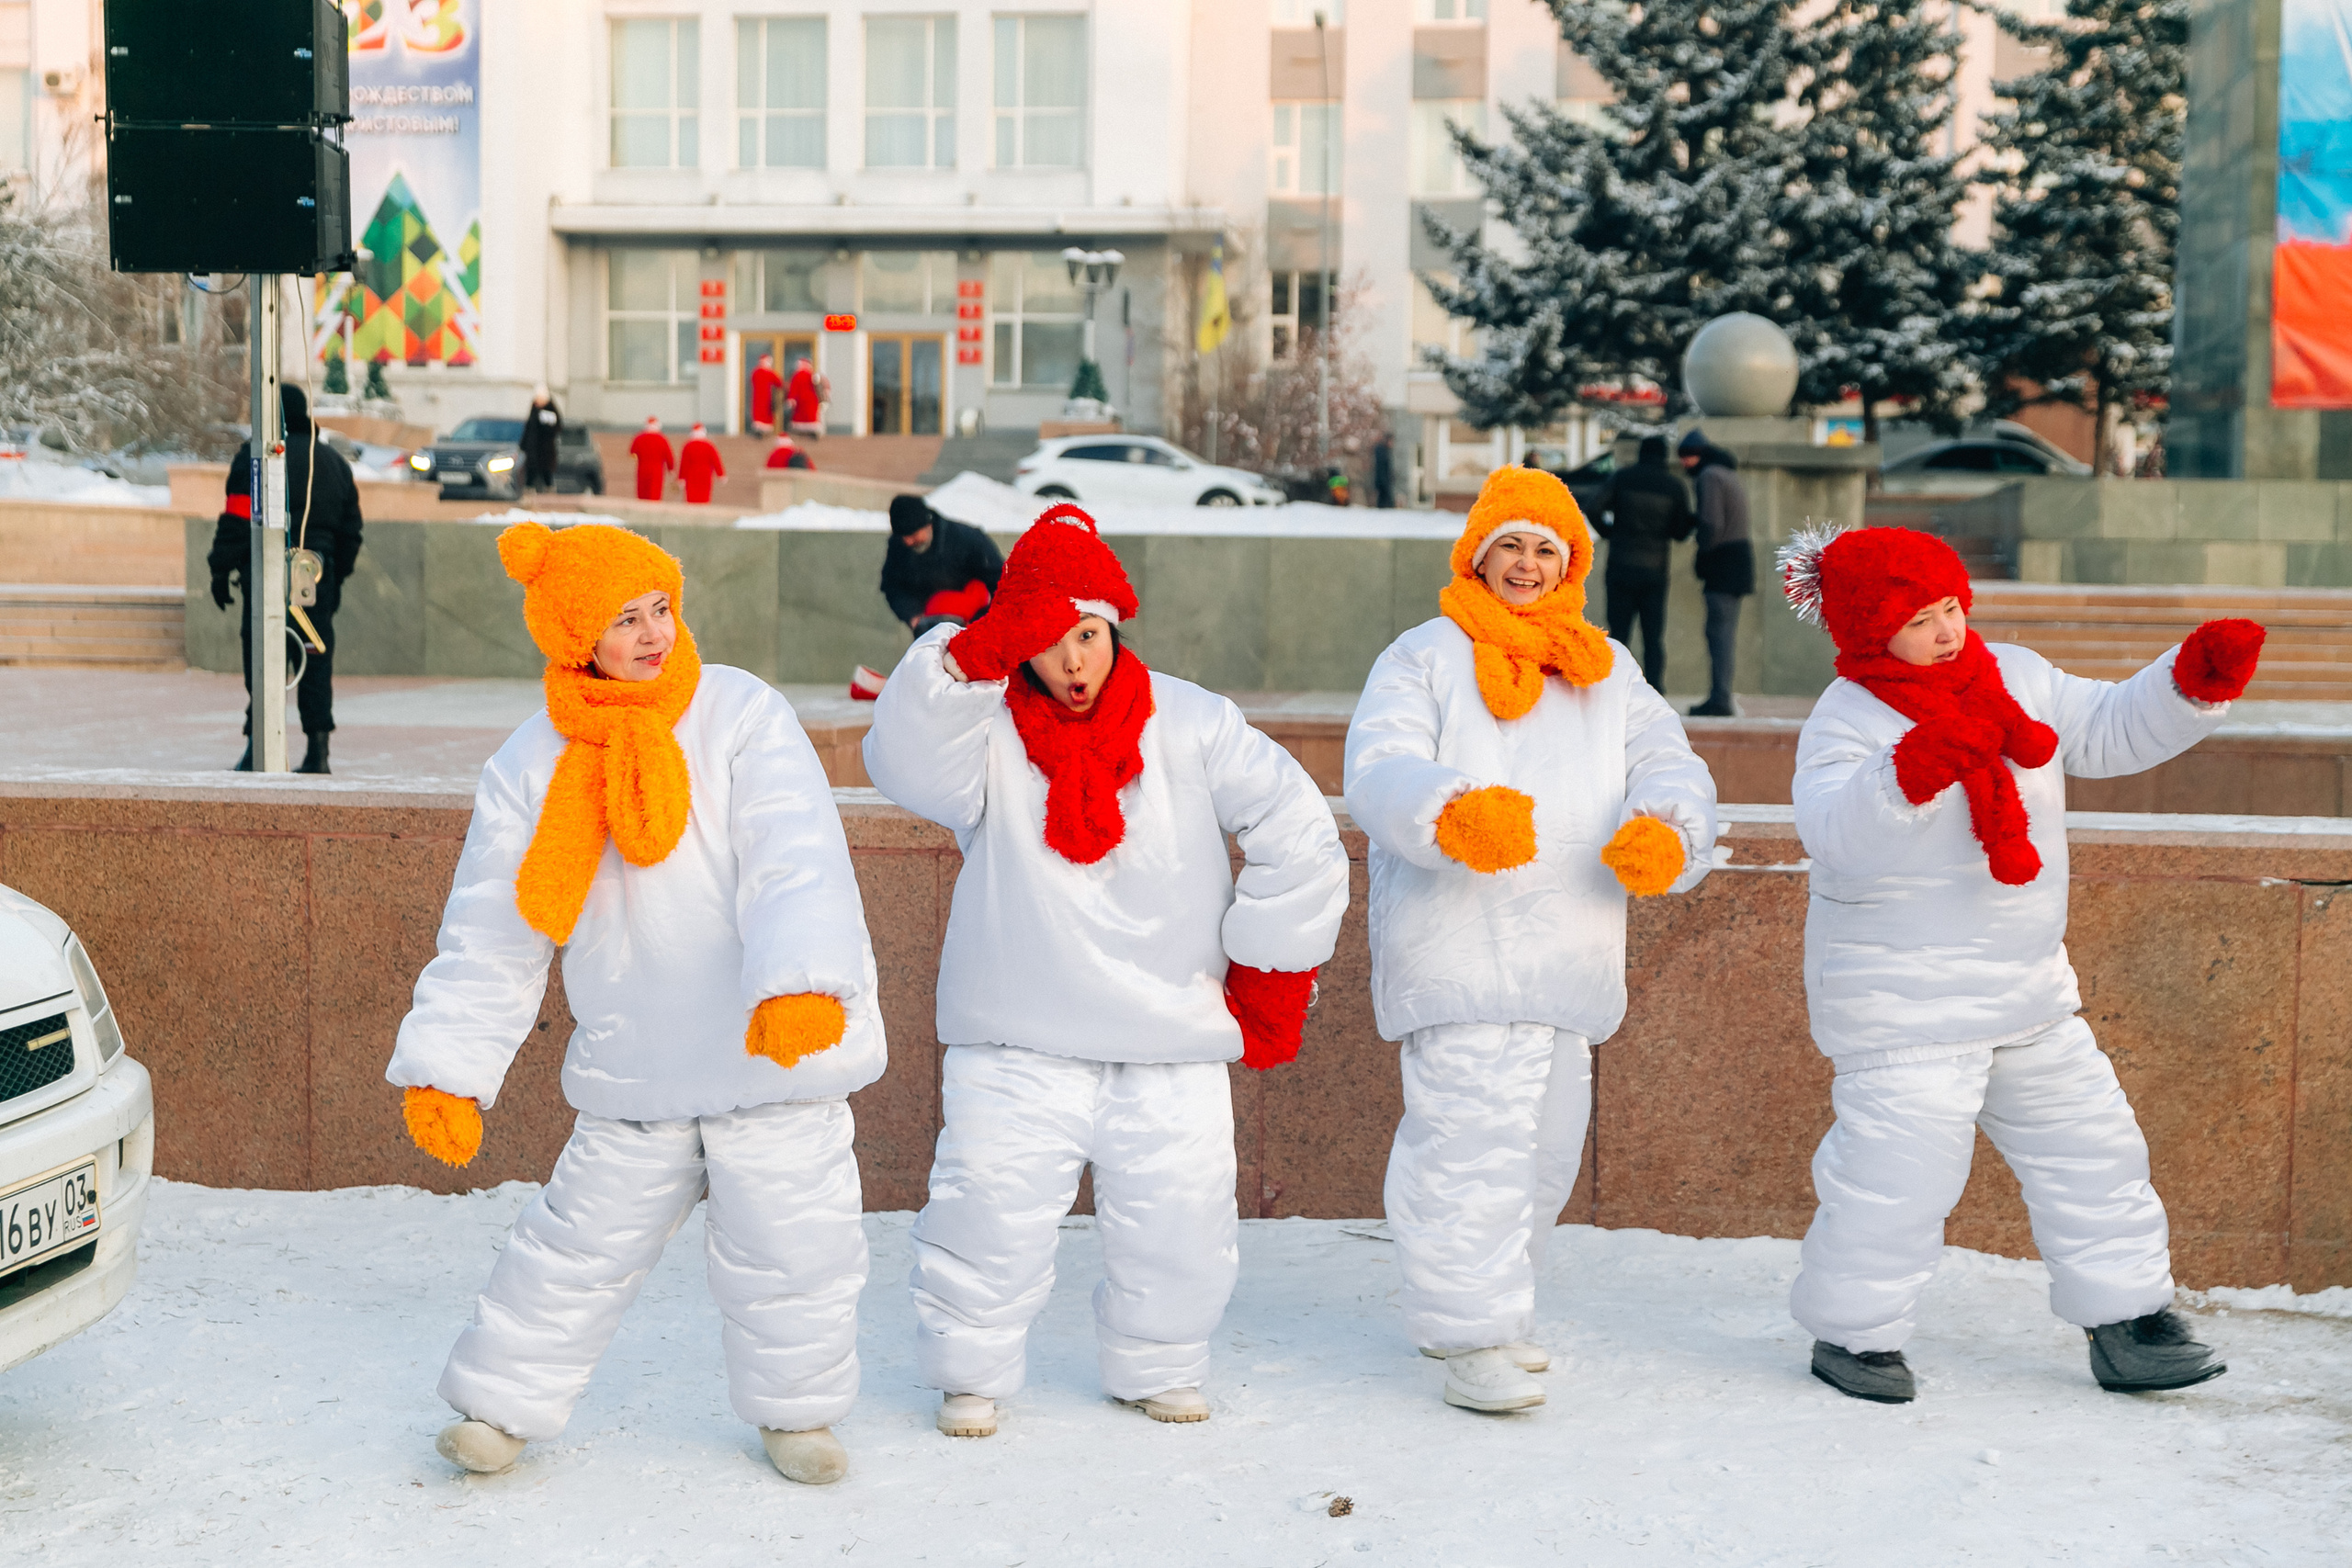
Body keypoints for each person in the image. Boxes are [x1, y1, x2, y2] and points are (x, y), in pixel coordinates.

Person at [387, 521, 887, 1483]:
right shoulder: (531, 762)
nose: (655, 631)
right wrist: (450, 1067)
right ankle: (498, 1409)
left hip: (770, 1050)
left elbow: (796, 854)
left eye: (661, 605)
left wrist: (800, 979)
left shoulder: (740, 712)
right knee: (573, 1248)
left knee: (795, 1248)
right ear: (578, 637)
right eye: (625, 619)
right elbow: (493, 926)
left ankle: (800, 1418)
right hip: (637, 1060)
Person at [862, 502, 1349, 1440]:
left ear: (1113, 624)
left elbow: (1296, 826)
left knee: (1179, 1220)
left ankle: (1161, 1362)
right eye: (1046, 641)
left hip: (1169, 1029)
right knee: (986, 1214)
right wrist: (965, 658)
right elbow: (902, 759)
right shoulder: (985, 733)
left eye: (1085, 635)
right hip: (1017, 1032)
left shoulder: (1195, 722)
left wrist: (1273, 971)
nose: (1072, 661)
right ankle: (970, 1369)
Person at [1779, 524, 2266, 1404]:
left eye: (1953, 607)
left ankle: (2131, 1325)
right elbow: (1834, 835)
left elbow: (2109, 729)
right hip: (1906, 1006)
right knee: (1898, 1178)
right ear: (1866, 629)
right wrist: (1908, 772)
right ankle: (1854, 1333)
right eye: (1921, 617)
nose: (1948, 630)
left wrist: (2189, 684)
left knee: (2095, 1150)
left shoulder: (2020, 675)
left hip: (2029, 991)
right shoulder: (1849, 718)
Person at [1344, 466, 1717, 1416]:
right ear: (1476, 552)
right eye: (1508, 542)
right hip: (1459, 940)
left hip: (1569, 948)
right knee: (1469, 1140)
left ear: (1571, 562)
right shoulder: (1424, 654)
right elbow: (1379, 763)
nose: (1525, 562)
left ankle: (1492, 1312)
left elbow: (1667, 759)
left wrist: (1666, 826)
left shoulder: (1604, 667)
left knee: (1543, 1151)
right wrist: (1447, 812)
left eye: (1544, 547)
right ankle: (1474, 1334)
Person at [208, 385, 364, 775]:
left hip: (265, 574)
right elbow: (351, 531)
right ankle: (318, 750)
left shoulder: (255, 459)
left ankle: (256, 748)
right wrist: (335, 579)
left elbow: (237, 518)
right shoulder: (332, 462)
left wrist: (220, 568)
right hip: (314, 576)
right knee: (314, 658)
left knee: (262, 658)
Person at [1591, 435, 1696, 691]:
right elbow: (1681, 532)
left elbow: (1593, 506)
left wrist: (1609, 532)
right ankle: (1655, 691)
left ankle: (1613, 690)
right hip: (1654, 570)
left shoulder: (1623, 477)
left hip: (1620, 566)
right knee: (1652, 637)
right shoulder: (1673, 486)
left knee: (1618, 635)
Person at [1679, 430, 1753, 717]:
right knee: (1725, 633)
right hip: (1738, 560)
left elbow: (1711, 522)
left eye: (1688, 456)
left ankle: (1719, 699)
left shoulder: (1709, 476)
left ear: (1700, 454)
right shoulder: (1727, 474)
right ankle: (1721, 694)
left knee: (1718, 634)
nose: (1685, 463)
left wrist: (1702, 554)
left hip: (1724, 563)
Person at [880, 493, 1004, 634]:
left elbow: (1001, 582)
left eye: (914, 535)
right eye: (904, 537)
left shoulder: (968, 539)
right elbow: (893, 587)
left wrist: (980, 620)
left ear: (928, 524)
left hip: (976, 625)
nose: (908, 542)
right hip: (929, 627)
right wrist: (913, 615)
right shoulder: (898, 547)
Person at [521, 385, 562, 493]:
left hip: (545, 451)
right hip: (532, 450)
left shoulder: (551, 410)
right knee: (530, 475)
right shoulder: (534, 409)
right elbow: (528, 428)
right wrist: (523, 445)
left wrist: (546, 425)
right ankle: (528, 497)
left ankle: (549, 498)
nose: (538, 401)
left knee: (547, 475)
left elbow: (557, 428)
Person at [628, 415, 673, 502]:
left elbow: (632, 453)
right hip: (657, 470)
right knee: (654, 493)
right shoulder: (662, 439)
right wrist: (670, 468)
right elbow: (668, 455)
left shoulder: (639, 438)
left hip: (642, 469)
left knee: (642, 492)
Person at [680, 423, 726, 504]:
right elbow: (716, 461)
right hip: (705, 475)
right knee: (704, 497)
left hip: (691, 476)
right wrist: (720, 474)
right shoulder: (709, 446)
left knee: (691, 498)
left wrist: (681, 478)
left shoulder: (688, 446)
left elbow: (684, 464)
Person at [786, 355, 826, 437]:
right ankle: (809, 432)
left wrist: (791, 398)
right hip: (807, 400)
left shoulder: (811, 376)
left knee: (807, 416)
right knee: (807, 416)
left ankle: (808, 432)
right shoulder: (807, 375)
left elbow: (793, 389)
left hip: (807, 401)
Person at [748, 352, 784, 436]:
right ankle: (761, 430)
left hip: (766, 398)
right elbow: (779, 383)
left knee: (764, 413)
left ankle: (761, 430)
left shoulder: (759, 372)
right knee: (760, 413)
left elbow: (779, 383)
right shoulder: (764, 372)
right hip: (760, 397)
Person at [1372, 430, 1396, 510]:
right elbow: (1382, 469)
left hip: (1384, 482)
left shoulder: (1384, 451)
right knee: (1385, 504)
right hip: (1383, 482)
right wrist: (1385, 481)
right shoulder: (1382, 452)